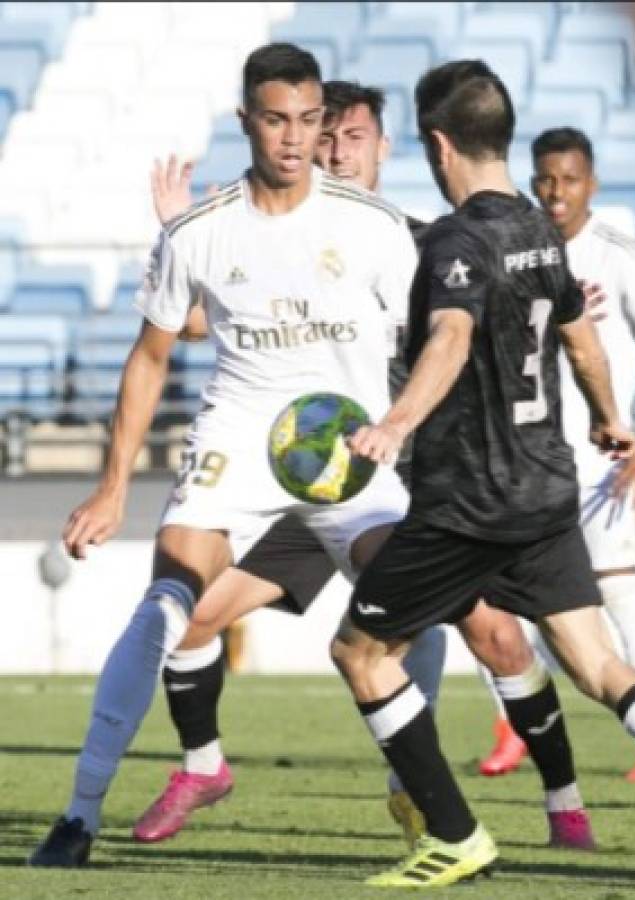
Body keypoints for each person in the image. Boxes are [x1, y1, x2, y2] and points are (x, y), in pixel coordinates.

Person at [132, 81, 594, 853]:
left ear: (386, 148)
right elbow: (194, 323)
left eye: (353, 138)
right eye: (328, 138)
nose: (335, 150)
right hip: (310, 476)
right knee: (194, 619)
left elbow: (486, 324)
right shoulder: (293, 238)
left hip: (395, 486)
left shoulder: (423, 242)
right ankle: (202, 766)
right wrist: (178, 232)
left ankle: (564, 803)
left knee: (498, 639)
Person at [329, 59, 635, 888]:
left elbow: (449, 339)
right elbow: (581, 339)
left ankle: (453, 835)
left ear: (435, 142)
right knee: (599, 664)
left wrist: (393, 422)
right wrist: (608, 417)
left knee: (360, 652)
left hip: (466, 502)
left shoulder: (456, 239)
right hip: (544, 491)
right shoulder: (537, 230)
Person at [28, 43, 419, 868]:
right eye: (275, 119)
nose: (292, 138)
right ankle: (80, 815)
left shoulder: (373, 226)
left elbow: (433, 338)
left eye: (308, 121)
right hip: (239, 442)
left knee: (417, 603)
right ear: (247, 120)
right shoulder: (198, 233)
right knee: (167, 606)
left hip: (346, 451)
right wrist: (111, 490)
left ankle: (419, 787)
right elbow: (149, 356)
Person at [478, 125, 635, 783]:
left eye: (568, 179)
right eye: (544, 178)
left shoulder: (621, 257)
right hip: (528, 460)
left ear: (589, 184)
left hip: (601, 464)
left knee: (617, 595)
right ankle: (512, 727)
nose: (555, 191)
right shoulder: (518, 253)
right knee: (496, 599)